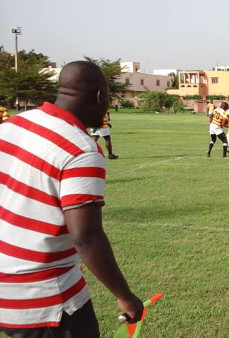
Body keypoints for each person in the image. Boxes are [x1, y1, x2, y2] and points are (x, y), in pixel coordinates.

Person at [0, 61, 143, 337]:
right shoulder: (80, 150)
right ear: (100, 97)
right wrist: (125, 296)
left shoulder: (13, 125)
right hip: (47, 301)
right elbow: (86, 236)